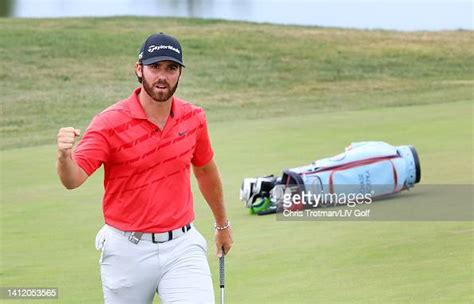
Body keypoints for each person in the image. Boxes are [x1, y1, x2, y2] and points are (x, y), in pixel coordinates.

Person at [56, 32, 233, 304]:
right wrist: (64, 156)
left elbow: (206, 171)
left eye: (171, 68)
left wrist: (222, 225)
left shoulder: (193, 117)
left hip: (182, 246)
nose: (162, 76)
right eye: (155, 67)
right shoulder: (109, 122)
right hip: (127, 251)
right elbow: (73, 179)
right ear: (139, 70)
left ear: (179, 73)